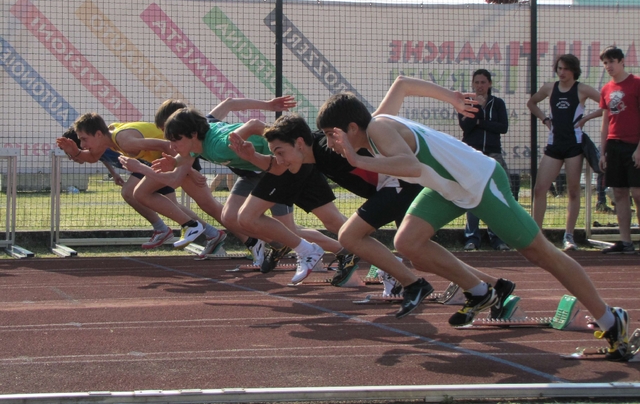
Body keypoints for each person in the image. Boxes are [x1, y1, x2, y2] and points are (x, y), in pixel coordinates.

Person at [316, 75, 631, 361]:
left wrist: (357, 159)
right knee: (409, 242)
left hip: (480, 182)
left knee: (541, 254)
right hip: (449, 189)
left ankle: (609, 319)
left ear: (351, 128)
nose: (331, 144)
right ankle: (481, 292)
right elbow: (401, 84)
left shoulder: (377, 128)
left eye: (331, 135)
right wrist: (452, 97)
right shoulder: (376, 123)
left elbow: (410, 168)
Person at [229, 113, 516, 313]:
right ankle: (495, 285)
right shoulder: (307, 154)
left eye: (280, 151)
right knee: (420, 255)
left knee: (353, 236)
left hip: (400, 185)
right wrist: (252, 157)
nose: (278, 159)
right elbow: (280, 166)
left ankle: (413, 284)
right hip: (393, 189)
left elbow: (379, 149)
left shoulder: (331, 148)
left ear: (300, 144)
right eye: (275, 153)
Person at [139, 106, 343, 284]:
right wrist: (171, 164)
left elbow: (254, 124)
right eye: (170, 141)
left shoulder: (221, 146)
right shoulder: (194, 145)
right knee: (230, 217)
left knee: (288, 228)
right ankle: (289, 245)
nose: (172, 146)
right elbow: (176, 177)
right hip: (253, 171)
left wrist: (278, 145)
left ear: (193, 134)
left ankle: (332, 251)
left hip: (274, 166)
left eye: (176, 140)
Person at [56, 114, 224, 250]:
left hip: (173, 157)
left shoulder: (125, 142)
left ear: (98, 134)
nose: (83, 145)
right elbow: (91, 157)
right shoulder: (107, 140)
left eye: (84, 140)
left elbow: (167, 145)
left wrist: (188, 168)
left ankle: (186, 227)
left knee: (138, 193)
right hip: (163, 161)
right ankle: (215, 233)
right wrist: (76, 152)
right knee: (184, 204)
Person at [527, 54, 603, 251]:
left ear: (573, 70)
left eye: (566, 69)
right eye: (559, 68)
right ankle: (537, 235)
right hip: (554, 145)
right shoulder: (549, 87)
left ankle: (568, 236)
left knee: (573, 190)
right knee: (539, 188)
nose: (562, 72)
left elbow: (606, 104)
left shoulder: (582, 89)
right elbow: (532, 103)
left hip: (574, 146)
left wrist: (586, 118)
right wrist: (545, 119)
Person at [458, 69, 510, 251]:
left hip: (493, 154)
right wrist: (477, 108)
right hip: (472, 153)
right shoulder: (467, 103)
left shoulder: (498, 104)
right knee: (473, 194)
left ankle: (497, 237)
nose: (480, 86)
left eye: (483, 82)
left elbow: (502, 127)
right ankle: (472, 237)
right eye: (477, 82)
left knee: (494, 195)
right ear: (472, 84)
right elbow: (466, 126)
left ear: (489, 84)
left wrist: (481, 122)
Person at [598, 46, 640, 255]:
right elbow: (606, 122)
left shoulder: (636, 83)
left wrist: (639, 148)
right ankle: (626, 242)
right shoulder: (606, 89)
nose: (609, 66)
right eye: (605, 63)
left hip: (634, 145)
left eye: (612, 61)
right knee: (620, 193)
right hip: (614, 146)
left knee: (638, 193)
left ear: (622, 61)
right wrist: (603, 151)